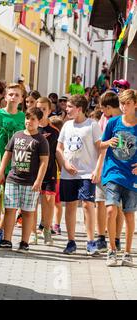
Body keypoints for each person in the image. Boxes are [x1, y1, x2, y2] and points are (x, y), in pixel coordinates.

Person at [0, 107, 49, 251]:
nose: (29, 122)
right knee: (10, 209)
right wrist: (1, 172)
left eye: (33, 119)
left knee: (27, 212)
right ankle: (7, 240)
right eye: (27, 118)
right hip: (13, 178)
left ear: (39, 122)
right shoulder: (17, 135)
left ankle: (24, 242)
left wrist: (39, 180)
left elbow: (44, 162)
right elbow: (7, 154)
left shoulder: (41, 140)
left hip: (30, 182)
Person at [56, 94, 102, 255]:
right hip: (69, 174)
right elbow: (59, 148)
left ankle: (90, 242)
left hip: (87, 173)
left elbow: (100, 148)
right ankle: (71, 241)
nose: (66, 109)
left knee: (88, 205)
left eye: (69, 107)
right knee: (70, 205)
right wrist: (65, 164)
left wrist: (97, 170)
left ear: (79, 108)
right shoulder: (67, 125)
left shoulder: (92, 125)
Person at [0, 83, 26, 247]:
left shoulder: (23, 117)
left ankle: (2, 231)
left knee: (12, 202)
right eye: (11, 94)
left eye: (17, 95)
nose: (13, 97)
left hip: (17, 166)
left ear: (21, 99)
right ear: (5, 97)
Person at [99, 89, 137, 267]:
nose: (124, 107)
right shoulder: (113, 122)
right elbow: (100, 144)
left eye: (128, 103)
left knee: (129, 214)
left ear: (135, 104)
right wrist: (108, 143)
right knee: (110, 210)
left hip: (131, 176)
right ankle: (112, 250)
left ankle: (127, 253)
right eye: (122, 103)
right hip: (113, 172)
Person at [94, 91, 124, 253]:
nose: (102, 113)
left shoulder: (122, 121)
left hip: (119, 169)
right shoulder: (104, 120)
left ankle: (117, 238)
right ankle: (101, 237)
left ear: (108, 107)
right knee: (100, 202)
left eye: (103, 109)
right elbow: (100, 145)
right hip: (104, 165)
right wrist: (98, 168)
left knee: (116, 206)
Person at [35, 97, 59, 245]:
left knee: (49, 201)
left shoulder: (54, 131)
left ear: (50, 111)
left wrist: (64, 169)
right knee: (31, 204)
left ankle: (47, 229)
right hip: (33, 173)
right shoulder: (31, 128)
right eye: (39, 109)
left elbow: (58, 152)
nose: (41, 112)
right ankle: (32, 232)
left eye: (44, 109)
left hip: (50, 171)